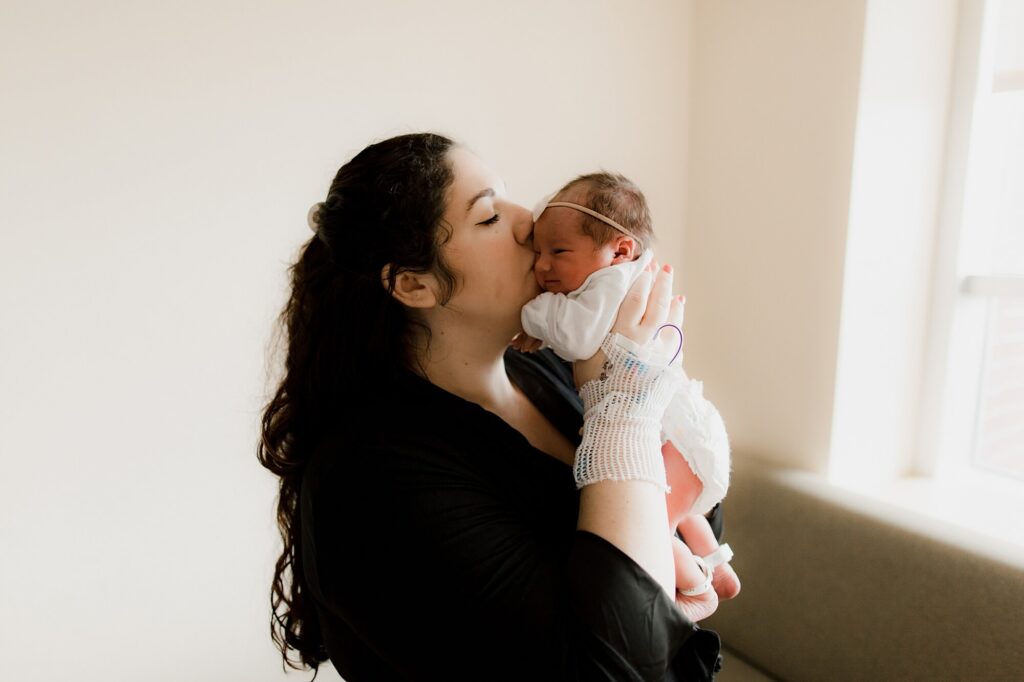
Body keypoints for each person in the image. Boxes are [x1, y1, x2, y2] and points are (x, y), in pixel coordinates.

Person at [257, 133, 725, 681]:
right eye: (487, 217)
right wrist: (625, 410)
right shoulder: (370, 477)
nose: (527, 219)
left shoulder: (550, 369)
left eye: (505, 197)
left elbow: (688, 502)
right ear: (413, 285)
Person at [512, 172, 740, 602]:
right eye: (537, 251)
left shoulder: (612, 281)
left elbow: (580, 337)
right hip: (682, 432)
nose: (541, 265)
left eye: (558, 251)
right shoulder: (613, 277)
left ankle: (693, 593)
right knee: (670, 504)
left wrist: (532, 316)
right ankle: (717, 566)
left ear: (620, 249)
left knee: (653, 525)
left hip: (677, 435)